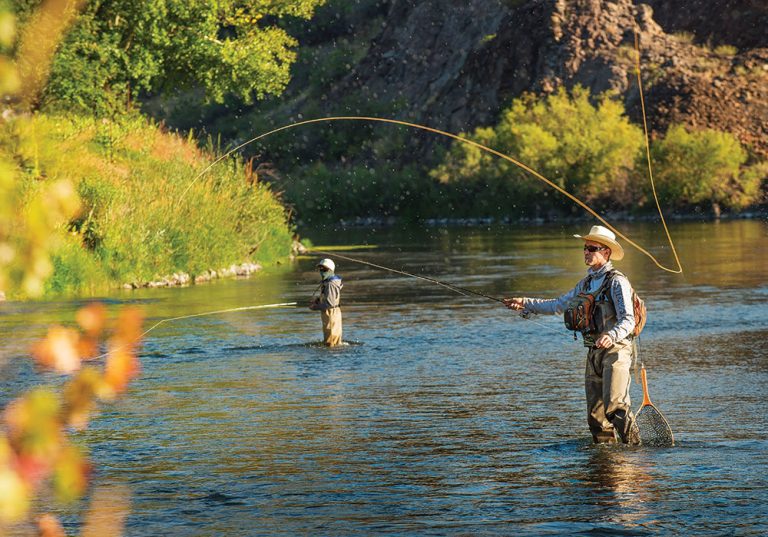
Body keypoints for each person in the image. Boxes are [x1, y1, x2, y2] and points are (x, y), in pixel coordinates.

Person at [503, 225, 641, 445]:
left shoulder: (617, 282)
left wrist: (611, 336)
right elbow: (559, 305)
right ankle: (606, 464)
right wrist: (525, 303)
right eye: (585, 248)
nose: (586, 252)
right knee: (595, 418)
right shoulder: (585, 284)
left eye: (592, 248)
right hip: (593, 352)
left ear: (606, 252)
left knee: (616, 407)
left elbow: (629, 319)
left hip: (616, 351)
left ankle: (636, 452)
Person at [309, 258, 343, 346]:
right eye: (320, 269)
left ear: (331, 270)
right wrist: (318, 300)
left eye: (324, 269)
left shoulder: (331, 284)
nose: (322, 271)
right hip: (331, 312)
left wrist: (315, 307)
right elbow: (328, 298)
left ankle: (330, 358)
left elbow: (329, 304)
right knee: (333, 342)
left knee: (331, 343)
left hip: (331, 313)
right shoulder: (328, 281)